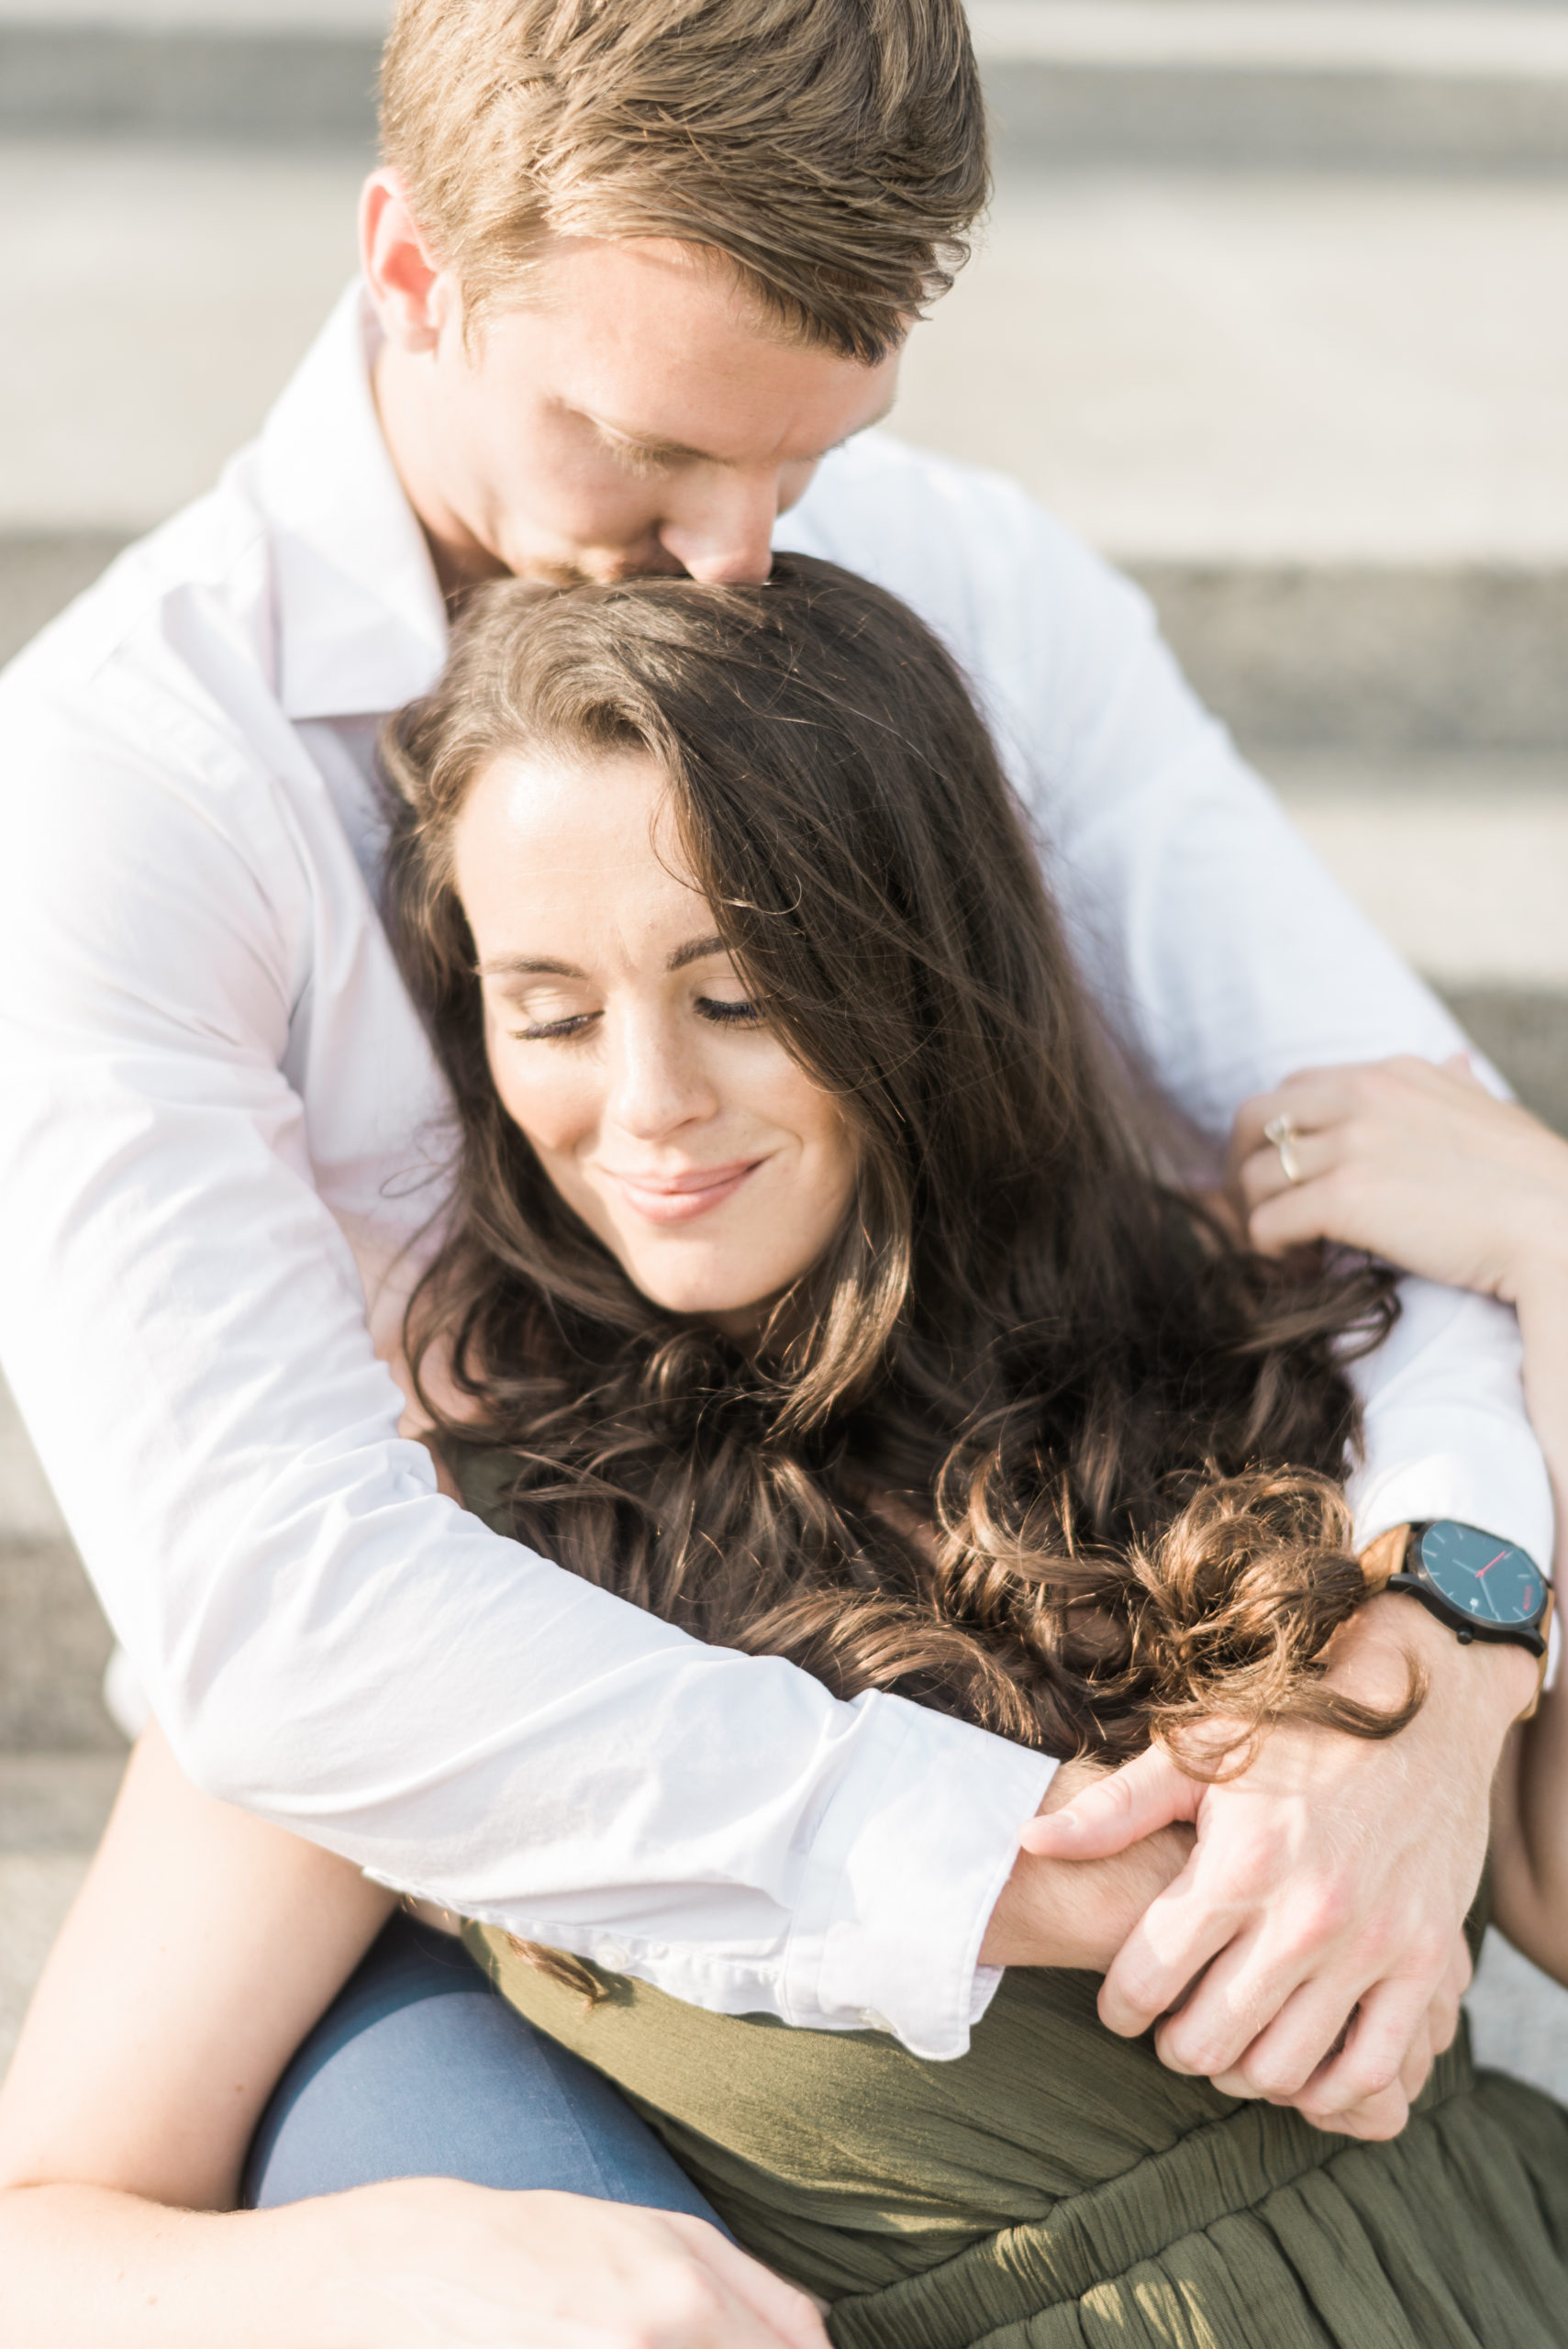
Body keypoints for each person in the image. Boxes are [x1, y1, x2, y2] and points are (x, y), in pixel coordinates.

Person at [0, 0, 1548, 2205]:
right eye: (650, 453)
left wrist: (1441, 1651)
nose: (736, 556)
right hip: (485, 1836)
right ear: (410, 267)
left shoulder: (972, 577)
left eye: (804, 464)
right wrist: (1033, 1857)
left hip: (986, 1576)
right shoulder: (128, 785)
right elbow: (290, 1621)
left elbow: (1406, 1157)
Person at [2, 558, 1562, 2346]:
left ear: (916, 967)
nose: (650, 1103)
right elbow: (42, 2236)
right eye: (555, 1011)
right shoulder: (433, 1579)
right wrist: (386, 2266)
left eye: (736, 993)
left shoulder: (1241, 1356)